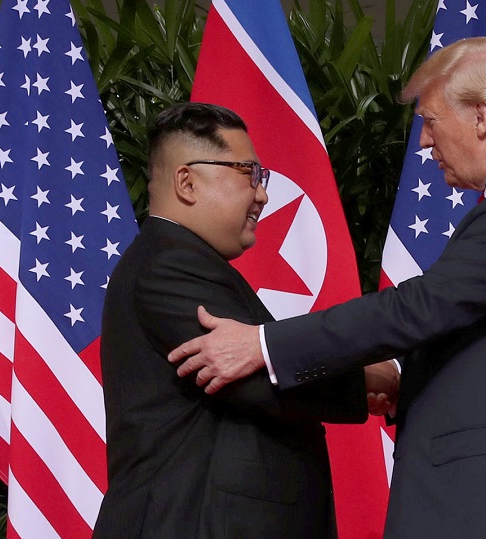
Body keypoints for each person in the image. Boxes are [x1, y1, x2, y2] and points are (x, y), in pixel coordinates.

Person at [169, 37, 486, 538]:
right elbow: (485, 332)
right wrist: (400, 378)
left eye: (431, 121)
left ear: (481, 115)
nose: (425, 143)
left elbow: (421, 306)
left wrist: (263, 344)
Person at [93, 102, 371, 538]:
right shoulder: (169, 264)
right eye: (248, 173)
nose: (262, 194)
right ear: (186, 181)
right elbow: (261, 378)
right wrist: (375, 378)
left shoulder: (182, 260)